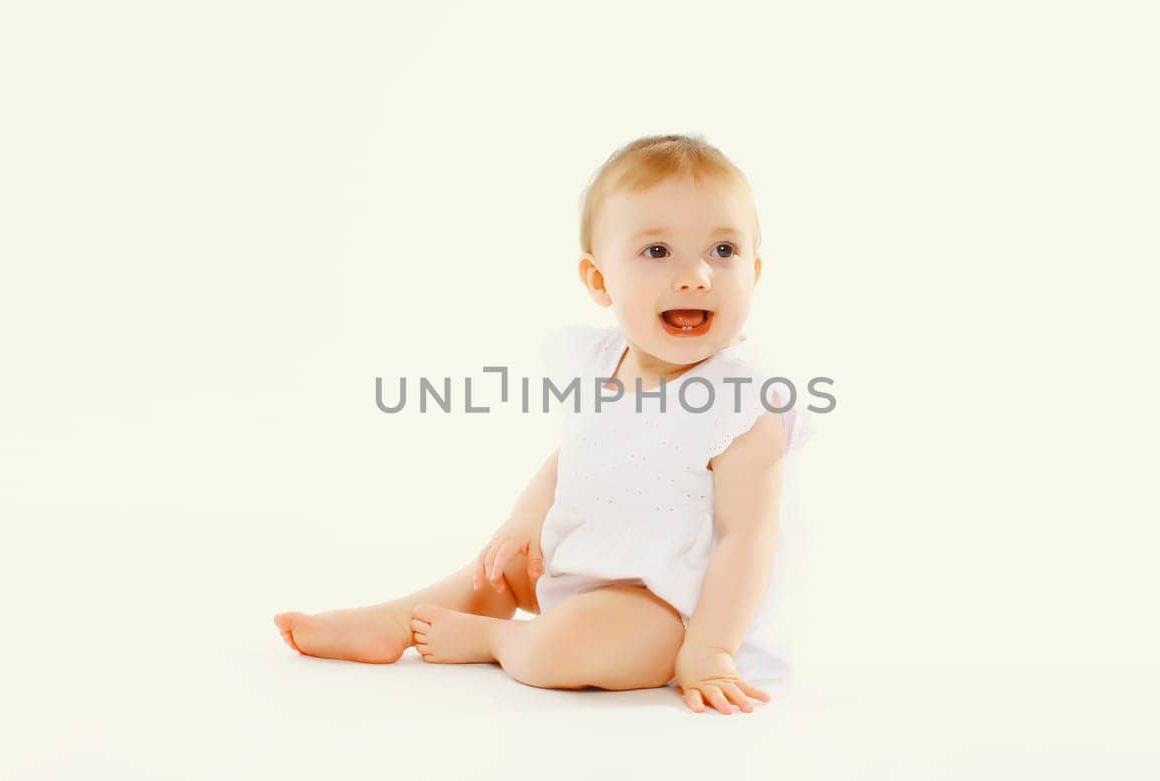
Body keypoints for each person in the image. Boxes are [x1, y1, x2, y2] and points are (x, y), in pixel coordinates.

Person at [274, 133, 816, 715]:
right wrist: (526, 519)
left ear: (755, 271)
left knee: (577, 645)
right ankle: (398, 620)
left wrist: (711, 647)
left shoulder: (741, 400)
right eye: (657, 252)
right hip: (585, 568)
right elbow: (577, 454)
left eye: (723, 251)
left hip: (674, 611)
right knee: (503, 562)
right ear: (598, 280)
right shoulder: (596, 362)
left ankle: (494, 639)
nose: (696, 276)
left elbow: (746, 538)